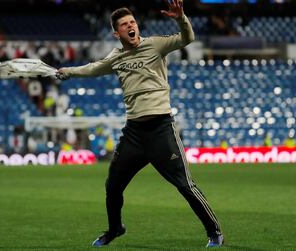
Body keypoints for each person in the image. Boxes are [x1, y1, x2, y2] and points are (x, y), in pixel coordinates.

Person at [56, 0, 223, 248]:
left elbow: (187, 38)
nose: (130, 26)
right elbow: (92, 69)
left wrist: (181, 18)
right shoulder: (116, 57)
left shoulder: (155, 45)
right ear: (117, 33)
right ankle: (115, 229)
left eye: (132, 22)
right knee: (113, 185)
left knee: (185, 185)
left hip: (161, 129)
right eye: (124, 25)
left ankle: (215, 232)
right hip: (134, 133)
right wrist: (68, 71)